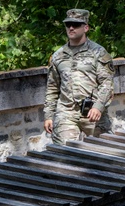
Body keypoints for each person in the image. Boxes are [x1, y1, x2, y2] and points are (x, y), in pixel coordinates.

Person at [44, 9, 114, 145]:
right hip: (66, 112)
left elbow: (107, 84)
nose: (71, 28)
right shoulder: (58, 56)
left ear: (86, 28)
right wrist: (48, 115)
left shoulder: (98, 52)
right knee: (65, 151)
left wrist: (98, 107)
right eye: (68, 24)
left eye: (76, 25)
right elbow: (52, 88)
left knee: (105, 150)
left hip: (93, 112)